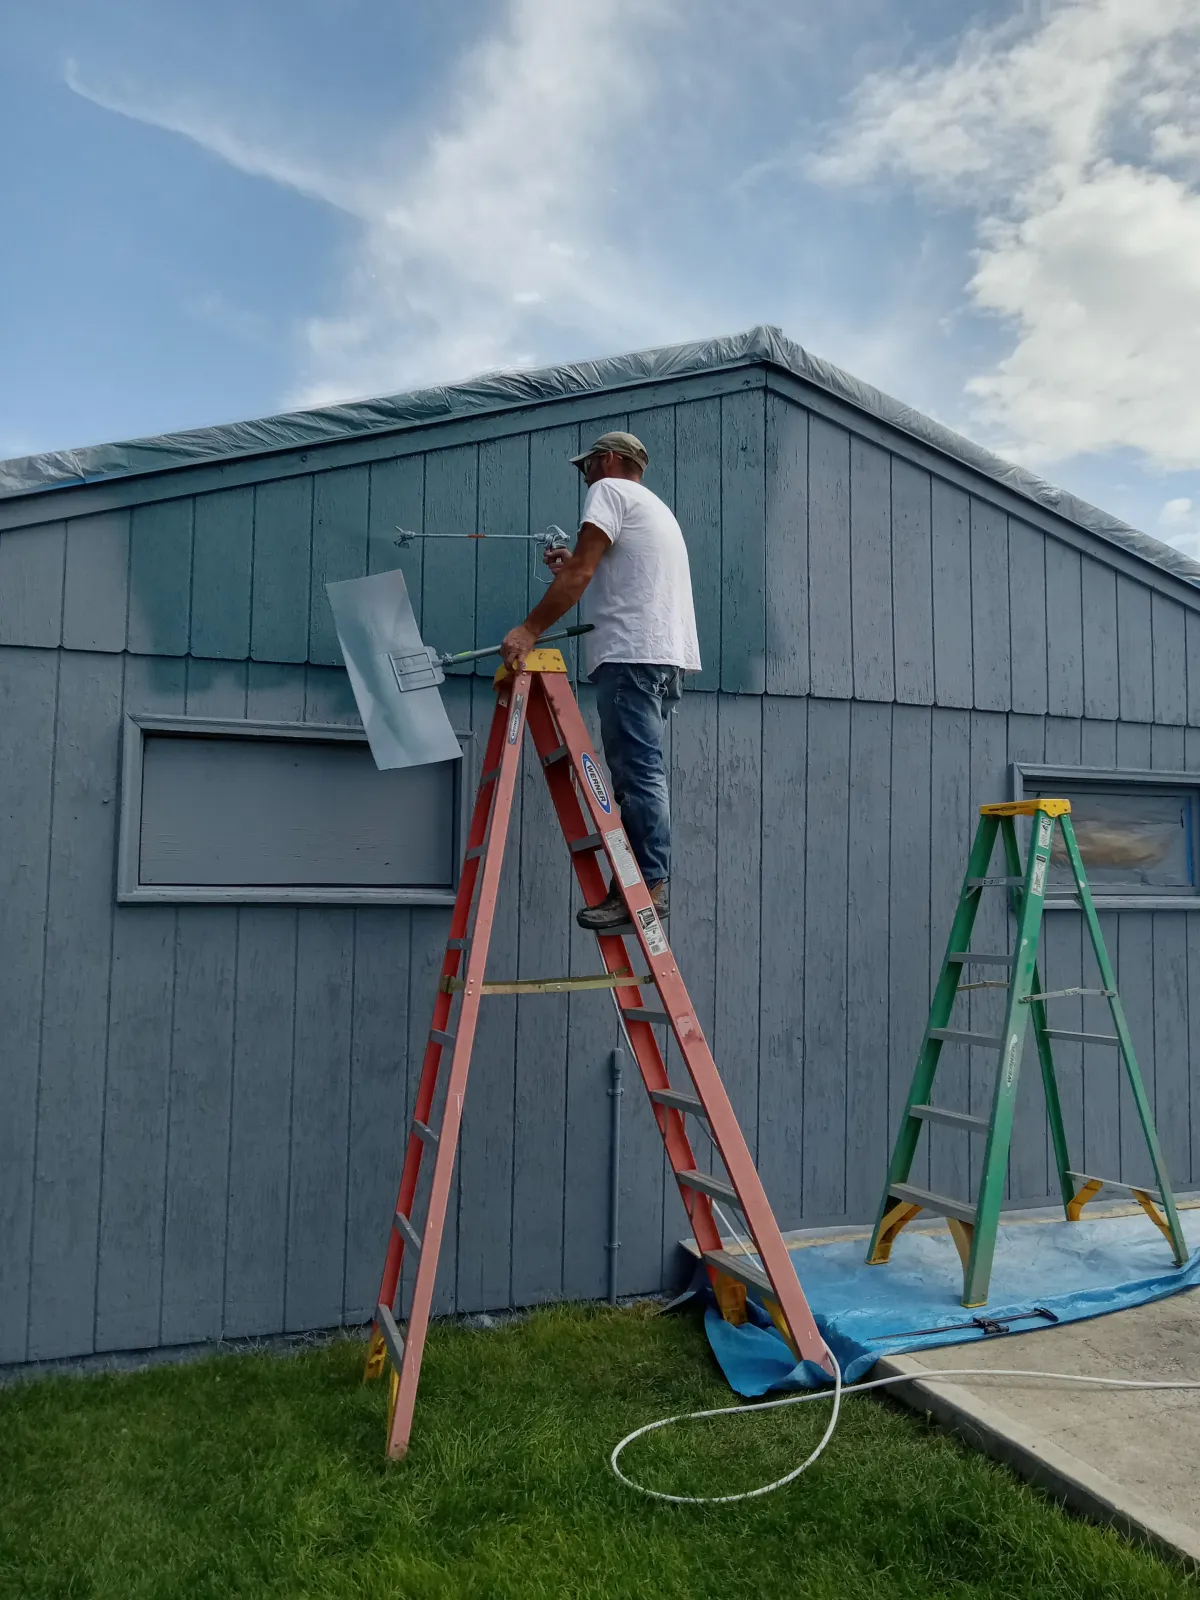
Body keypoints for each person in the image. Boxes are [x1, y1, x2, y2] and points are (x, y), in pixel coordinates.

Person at [500, 431, 701, 931]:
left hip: (630, 654)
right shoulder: (651, 504)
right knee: (642, 772)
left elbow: (583, 574)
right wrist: (574, 565)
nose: (584, 475)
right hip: (662, 658)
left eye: (586, 465)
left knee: (638, 775)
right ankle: (642, 886)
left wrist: (529, 630)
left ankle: (647, 890)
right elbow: (605, 570)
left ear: (608, 459)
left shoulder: (608, 492)